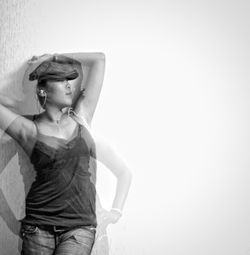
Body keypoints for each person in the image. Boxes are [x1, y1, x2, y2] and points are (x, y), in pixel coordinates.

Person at [0, 53, 132, 255]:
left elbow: (99, 59)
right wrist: (9, 219)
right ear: (43, 90)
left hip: (79, 229)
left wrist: (53, 56)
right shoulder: (28, 129)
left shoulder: (82, 117)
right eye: (60, 80)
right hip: (37, 228)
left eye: (69, 79)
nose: (69, 85)